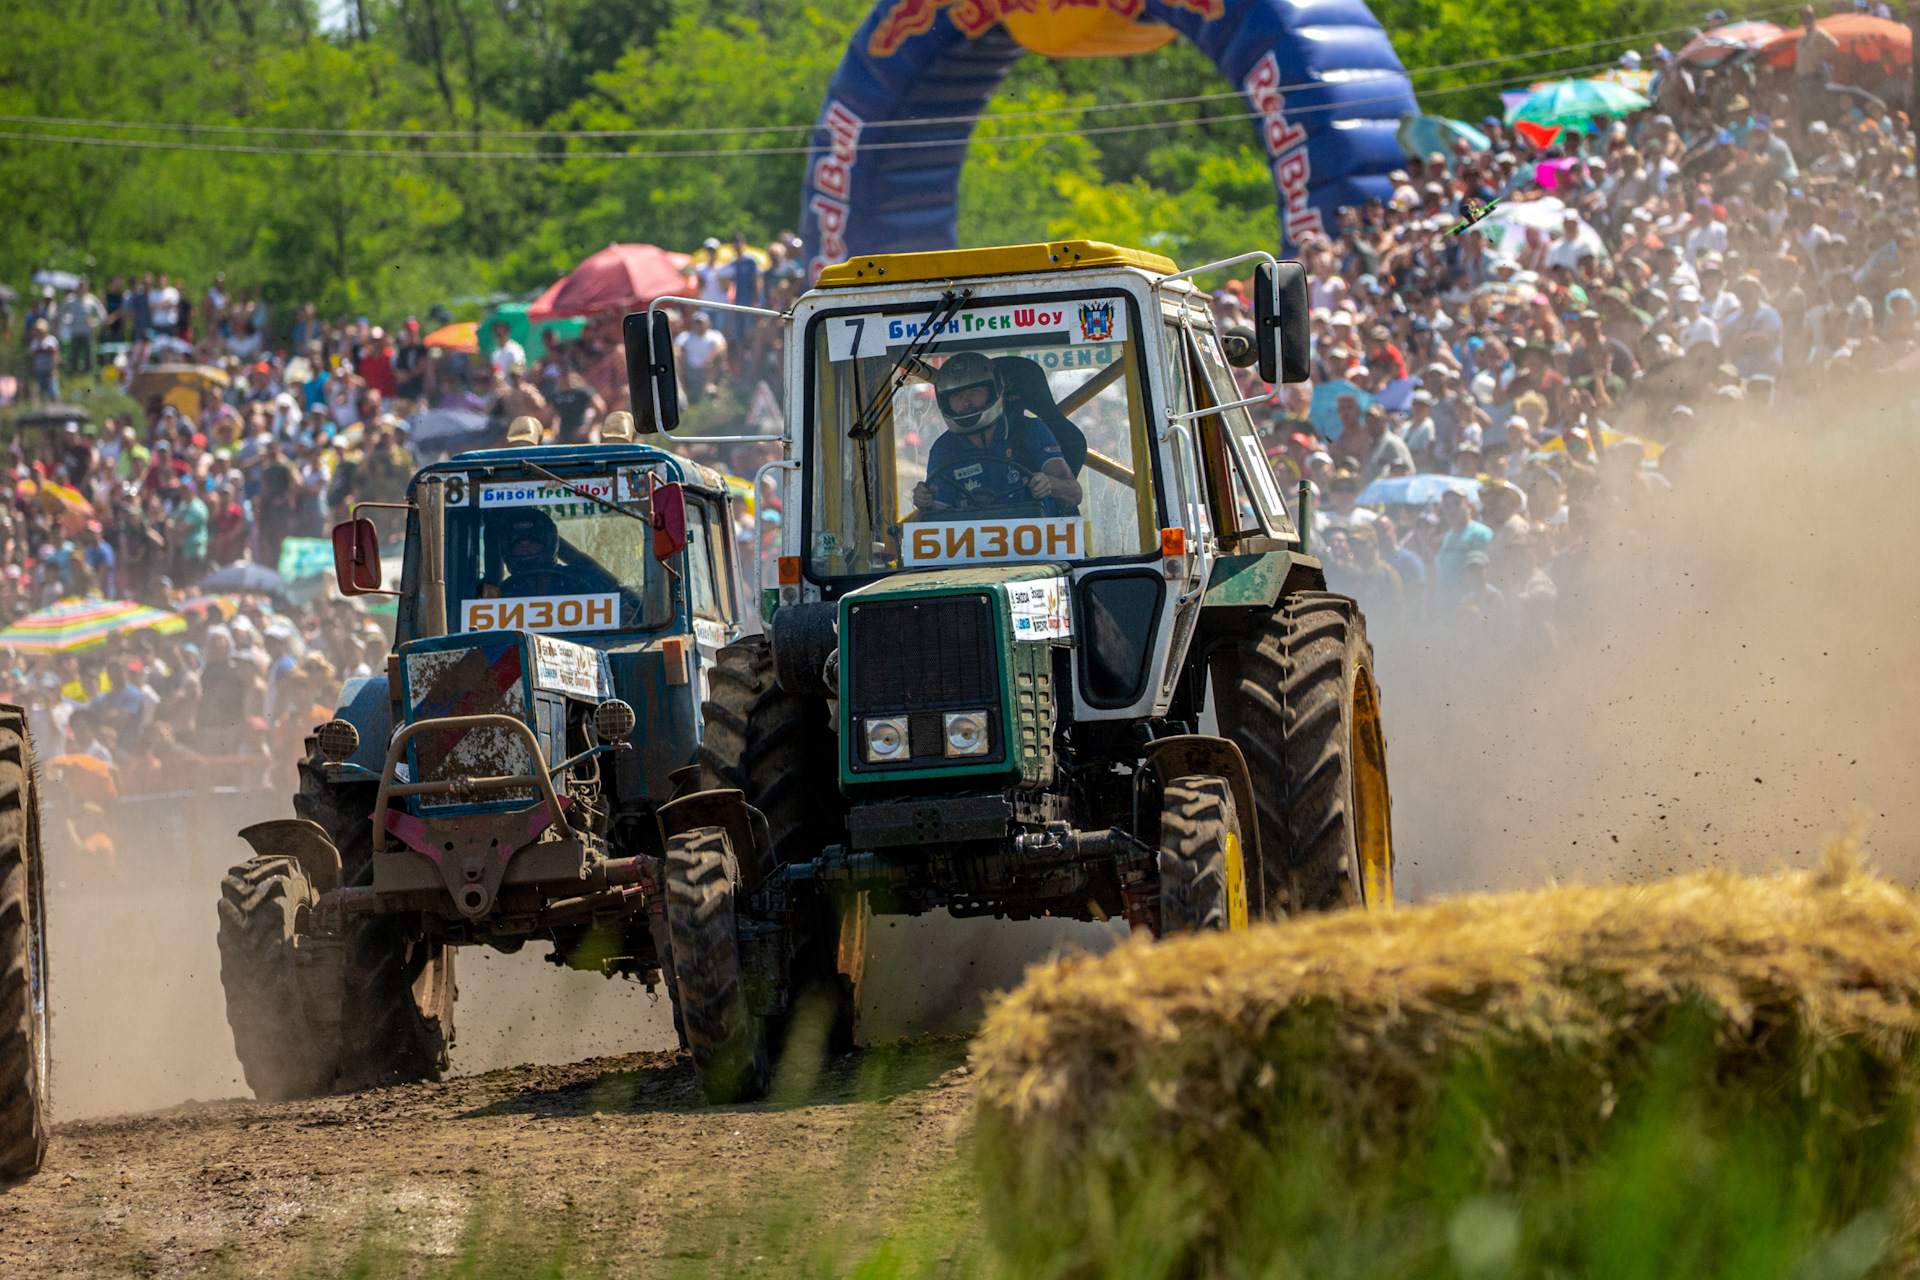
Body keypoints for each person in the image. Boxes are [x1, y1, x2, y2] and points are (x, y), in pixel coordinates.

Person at [911, 352, 1082, 516]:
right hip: (969, 545)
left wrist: (1049, 484)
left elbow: (1075, 493)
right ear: (945, 401)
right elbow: (934, 522)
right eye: (956, 395)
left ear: (994, 392)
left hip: (1039, 543)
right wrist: (925, 503)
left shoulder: (1031, 430)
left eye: (974, 392)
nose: (966, 402)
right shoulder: (944, 448)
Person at [488, 507, 620, 598]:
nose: (525, 550)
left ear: (549, 542)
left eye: (533, 543)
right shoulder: (503, 594)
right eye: (517, 545)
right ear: (507, 549)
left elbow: (626, 616)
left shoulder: (586, 581)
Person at [673, 310, 728, 401]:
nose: (699, 326)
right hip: (688, 368)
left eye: (701, 323)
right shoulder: (685, 336)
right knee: (675, 356)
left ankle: (709, 384)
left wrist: (710, 358)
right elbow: (676, 348)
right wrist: (681, 354)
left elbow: (721, 347)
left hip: (707, 368)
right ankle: (680, 388)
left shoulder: (715, 335)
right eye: (696, 323)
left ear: (708, 323)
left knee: (719, 354)